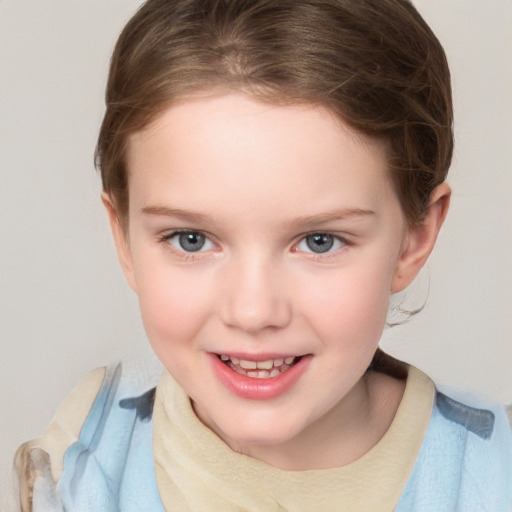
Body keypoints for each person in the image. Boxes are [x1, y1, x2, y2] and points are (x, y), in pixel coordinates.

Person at [12, 0, 512, 510]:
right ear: (124, 237)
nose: (252, 312)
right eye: (191, 239)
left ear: (415, 235)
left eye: (320, 241)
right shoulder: (81, 466)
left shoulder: (494, 477)